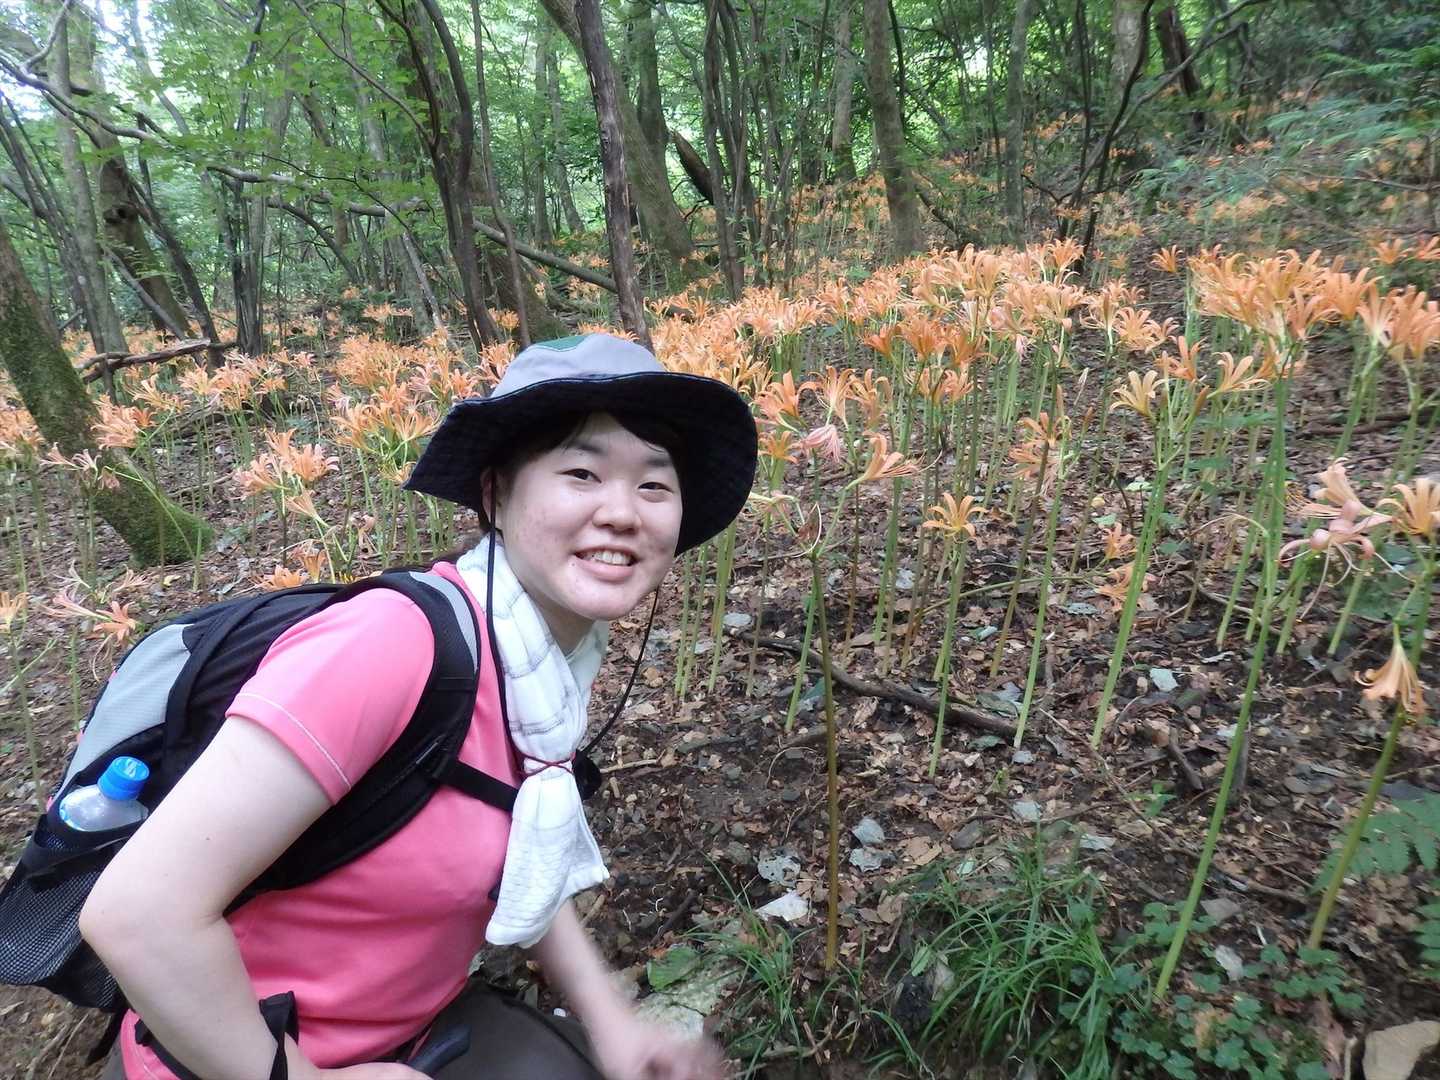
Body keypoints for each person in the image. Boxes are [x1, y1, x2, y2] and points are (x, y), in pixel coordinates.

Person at [79, 333, 759, 1080]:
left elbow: (524, 846)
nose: (623, 513)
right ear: (496, 495)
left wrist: (613, 1022)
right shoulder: (392, 644)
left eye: (654, 486)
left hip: (410, 1030)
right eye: (581, 473)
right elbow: (137, 915)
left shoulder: (543, 665)